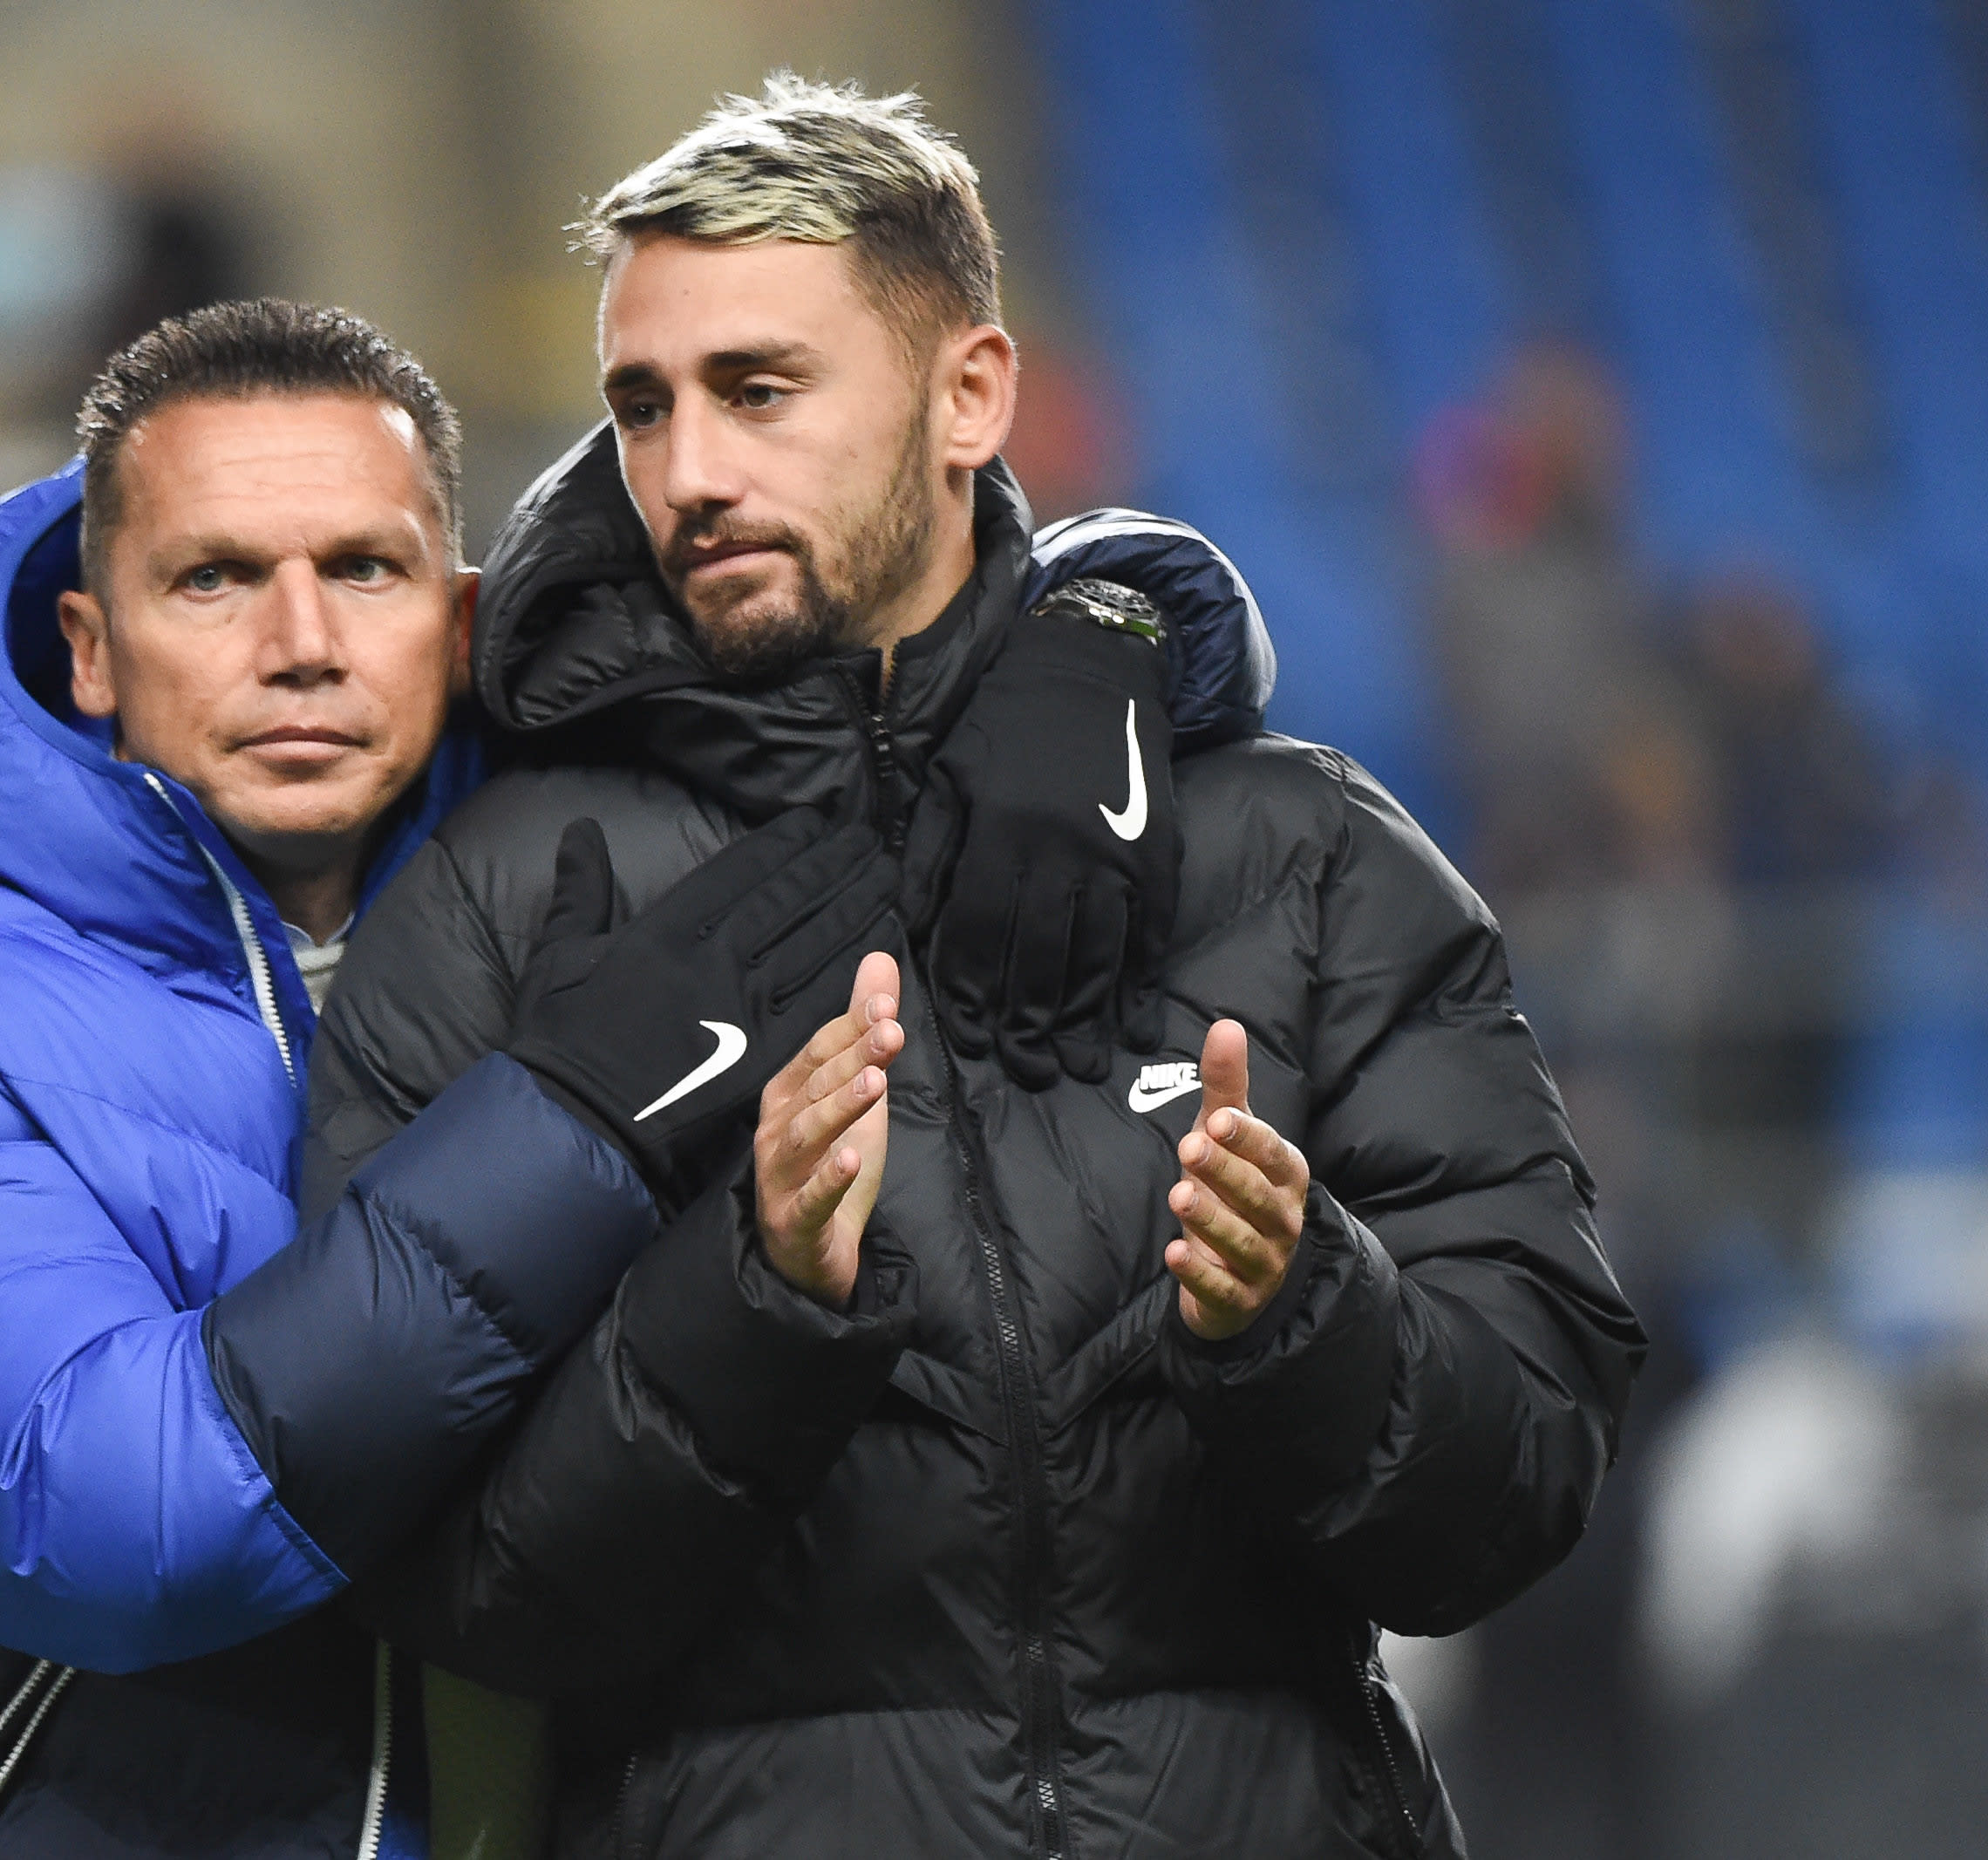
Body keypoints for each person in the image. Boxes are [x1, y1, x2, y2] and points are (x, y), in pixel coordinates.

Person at [317, 78, 1648, 1860]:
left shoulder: (1296, 852)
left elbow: (1524, 1484)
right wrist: (755, 1301)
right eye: (643, 404)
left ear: (970, 395)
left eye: (760, 389)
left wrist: (1309, 1316)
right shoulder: (500, 893)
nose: (689, 468)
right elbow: (451, 1582)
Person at [0, 302, 921, 1860]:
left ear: (463, 615)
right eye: (213, 577)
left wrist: (1119, 640)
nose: (301, 644)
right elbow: (129, 1514)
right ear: (91, 645)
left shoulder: (575, 870)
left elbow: (926, 570)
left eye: (364, 569)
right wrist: (570, 1128)